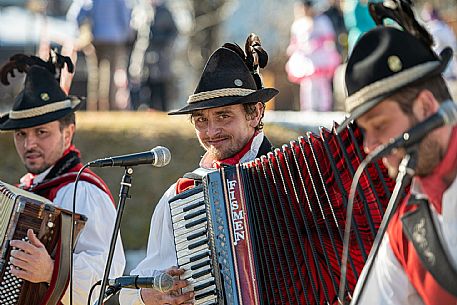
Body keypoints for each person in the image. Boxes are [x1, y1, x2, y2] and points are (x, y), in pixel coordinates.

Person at [119, 33, 278, 305]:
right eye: (200, 120)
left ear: (255, 114)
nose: (211, 131)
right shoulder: (181, 196)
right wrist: (150, 296)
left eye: (223, 116)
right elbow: (132, 291)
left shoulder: (291, 179)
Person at [339, 1, 457, 304]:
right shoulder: (405, 225)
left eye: (380, 125)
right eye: (364, 131)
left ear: (427, 108)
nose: (369, 146)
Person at [0, 53, 126, 304]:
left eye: (41, 132)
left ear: (67, 133)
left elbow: (109, 273)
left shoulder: (84, 190)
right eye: (21, 134)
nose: (29, 143)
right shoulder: (24, 190)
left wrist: (49, 270)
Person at [67, 0, 132, 110]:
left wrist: (82, 32)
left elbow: (75, 14)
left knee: (95, 76)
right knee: (111, 75)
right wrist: (126, 35)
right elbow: (125, 17)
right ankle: (110, 106)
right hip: (114, 39)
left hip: (95, 38)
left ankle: (94, 107)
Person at [285, 0, 341, 112]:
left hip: (320, 58)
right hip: (305, 60)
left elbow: (330, 37)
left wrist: (316, 44)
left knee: (321, 84)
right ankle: (308, 108)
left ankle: (324, 107)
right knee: (307, 85)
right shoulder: (297, 24)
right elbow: (294, 41)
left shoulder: (322, 21)